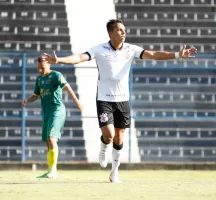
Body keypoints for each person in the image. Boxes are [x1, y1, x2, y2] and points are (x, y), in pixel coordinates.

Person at [43, 19, 197, 183]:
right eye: (120, 30)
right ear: (111, 33)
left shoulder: (131, 49)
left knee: (119, 137)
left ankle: (114, 173)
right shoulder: (99, 49)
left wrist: (177, 55)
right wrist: (59, 60)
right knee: (109, 136)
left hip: (123, 100)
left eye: (124, 30)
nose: (124, 33)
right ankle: (103, 147)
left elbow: (153, 54)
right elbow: (79, 57)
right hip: (104, 99)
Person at [21, 56, 83, 178]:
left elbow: (67, 87)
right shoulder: (39, 80)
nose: (40, 70)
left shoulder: (56, 75)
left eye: (42, 67)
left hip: (57, 111)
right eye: (38, 68)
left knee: (52, 138)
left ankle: (53, 170)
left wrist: (76, 101)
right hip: (46, 113)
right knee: (48, 142)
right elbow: (36, 95)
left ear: (49, 64)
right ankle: (50, 170)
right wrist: (27, 99)